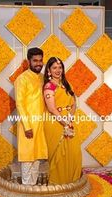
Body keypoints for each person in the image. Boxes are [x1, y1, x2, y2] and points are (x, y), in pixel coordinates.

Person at [43, 56, 82, 185]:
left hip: (68, 121)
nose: (57, 70)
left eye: (60, 67)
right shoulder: (49, 86)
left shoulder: (66, 84)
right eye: (54, 67)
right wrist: (65, 123)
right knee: (59, 156)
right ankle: (57, 184)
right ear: (49, 70)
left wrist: (69, 118)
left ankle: (72, 182)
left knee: (73, 152)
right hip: (55, 123)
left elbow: (74, 104)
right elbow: (52, 109)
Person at [14, 48, 48, 185]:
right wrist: (27, 126)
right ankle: (27, 190)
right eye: (35, 61)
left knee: (37, 158)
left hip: (41, 124)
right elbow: (20, 104)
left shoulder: (42, 78)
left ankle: (33, 187)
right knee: (28, 157)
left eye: (40, 60)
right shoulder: (22, 79)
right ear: (29, 61)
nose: (38, 64)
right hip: (27, 125)